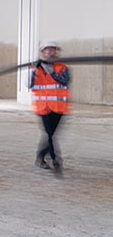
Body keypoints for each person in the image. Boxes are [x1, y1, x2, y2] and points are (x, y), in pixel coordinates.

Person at [29, 40, 70, 173]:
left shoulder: (62, 68)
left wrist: (51, 71)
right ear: (43, 52)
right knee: (49, 135)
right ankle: (55, 159)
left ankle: (40, 158)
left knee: (51, 134)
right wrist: (33, 71)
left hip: (58, 108)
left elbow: (64, 81)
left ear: (56, 52)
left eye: (52, 50)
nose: (50, 52)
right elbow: (29, 85)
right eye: (47, 50)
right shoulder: (36, 68)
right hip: (43, 107)